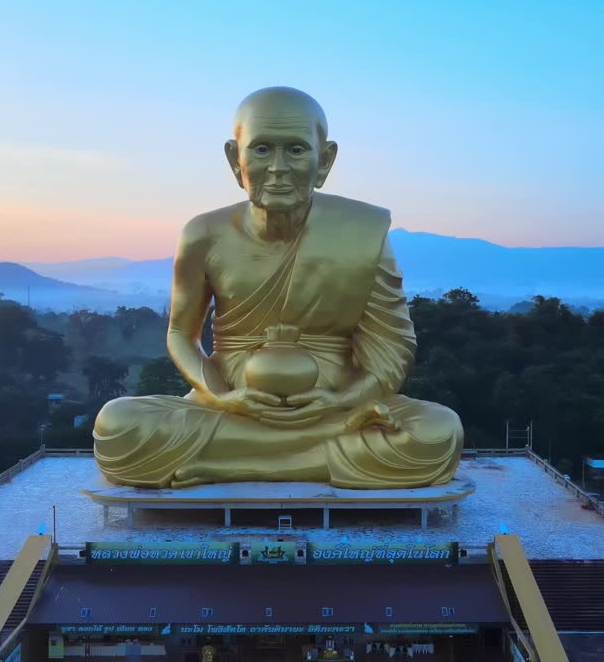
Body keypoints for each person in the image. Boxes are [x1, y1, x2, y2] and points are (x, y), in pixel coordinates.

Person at [93, 87, 463, 489]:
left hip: (334, 406)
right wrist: (221, 397)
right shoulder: (204, 234)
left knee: (438, 430)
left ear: (326, 160)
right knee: (117, 424)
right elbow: (181, 334)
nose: (279, 167)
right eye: (263, 149)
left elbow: (392, 348)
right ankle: (311, 459)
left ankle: (242, 465)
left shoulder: (363, 232)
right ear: (236, 160)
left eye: (297, 150)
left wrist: (344, 401)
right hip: (234, 406)